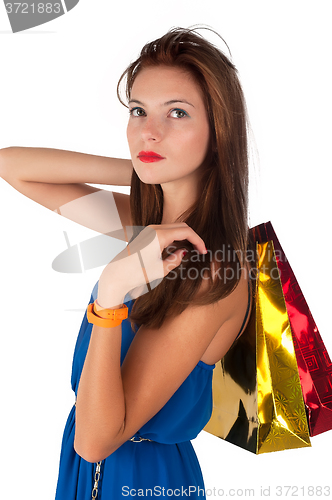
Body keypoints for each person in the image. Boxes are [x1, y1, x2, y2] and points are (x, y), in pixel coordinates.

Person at [0, 27, 252, 499]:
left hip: (139, 480)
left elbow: (96, 441)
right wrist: (141, 168)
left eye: (177, 113)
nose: (149, 131)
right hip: (93, 473)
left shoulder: (209, 268)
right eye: (138, 111)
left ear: (220, 133)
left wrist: (112, 292)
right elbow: (11, 165)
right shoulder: (147, 223)